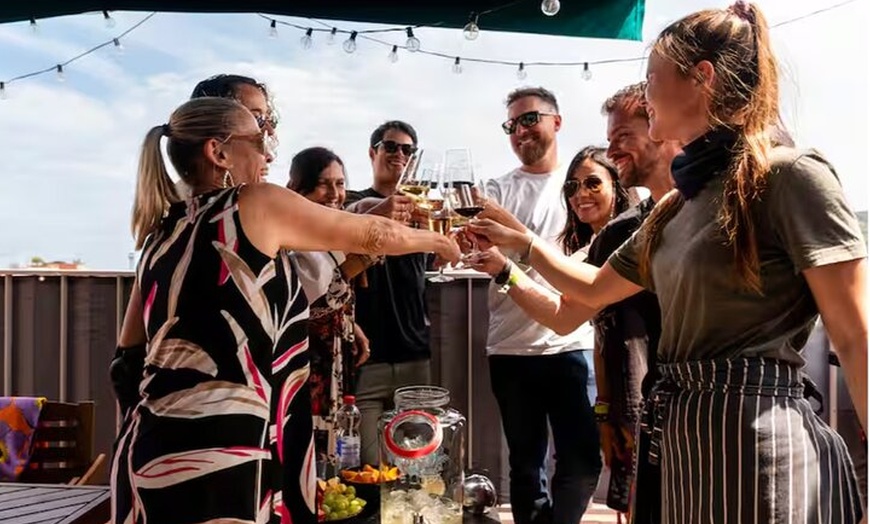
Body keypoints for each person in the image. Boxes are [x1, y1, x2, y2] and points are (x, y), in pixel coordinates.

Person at [468, 3, 866, 522]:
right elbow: (590, 289)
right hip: (682, 442)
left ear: (701, 78)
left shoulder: (791, 176)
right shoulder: (677, 205)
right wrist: (519, 244)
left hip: (759, 448)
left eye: (651, 78)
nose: (646, 94)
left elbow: (856, 336)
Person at [110, 97, 460, 524]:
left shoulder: (160, 233)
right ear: (218, 152)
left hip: (149, 443)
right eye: (259, 139)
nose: (269, 152)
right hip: (222, 448)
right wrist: (440, 241)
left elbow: (126, 358)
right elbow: (372, 233)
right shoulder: (254, 202)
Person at [110, 73, 279, 418]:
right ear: (217, 141)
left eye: (269, 120)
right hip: (207, 420)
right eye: (258, 119)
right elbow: (130, 349)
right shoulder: (194, 210)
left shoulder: (205, 205)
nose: (268, 133)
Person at [479, 87, 602, 524]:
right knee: (525, 469)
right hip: (510, 349)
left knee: (584, 462)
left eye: (530, 119)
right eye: (512, 124)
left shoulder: (582, 189)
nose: (520, 131)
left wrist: (511, 232)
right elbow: (465, 246)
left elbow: (568, 262)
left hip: (572, 344)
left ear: (557, 121)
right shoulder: (495, 187)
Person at [343, 121, 434, 466]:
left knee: (414, 471)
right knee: (363, 471)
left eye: (408, 150)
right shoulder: (352, 204)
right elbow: (346, 220)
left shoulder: (423, 215)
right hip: (366, 360)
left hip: (415, 358)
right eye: (390, 146)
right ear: (373, 152)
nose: (400, 154)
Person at [286, 146, 371, 470]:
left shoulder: (326, 230)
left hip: (334, 353)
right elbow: (312, 297)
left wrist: (351, 324)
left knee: (336, 445)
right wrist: (362, 258)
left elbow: (335, 297)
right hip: (304, 361)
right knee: (305, 446)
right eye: (324, 184)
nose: (335, 194)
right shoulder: (291, 234)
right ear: (297, 189)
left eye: (340, 183)